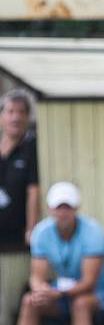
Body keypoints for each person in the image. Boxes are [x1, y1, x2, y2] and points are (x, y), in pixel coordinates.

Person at [16, 182, 104, 325]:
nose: (63, 213)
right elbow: (37, 275)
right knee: (30, 301)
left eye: (68, 207)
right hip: (67, 287)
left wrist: (58, 293)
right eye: (59, 207)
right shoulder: (41, 232)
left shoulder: (93, 232)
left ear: (76, 209)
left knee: (80, 304)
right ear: (49, 209)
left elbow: (89, 282)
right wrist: (40, 291)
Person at [0, 90, 39, 247]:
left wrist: (31, 229)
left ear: (28, 117)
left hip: (17, 235)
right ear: (1, 117)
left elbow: (34, 191)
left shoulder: (32, 148)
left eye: (21, 112)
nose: (16, 117)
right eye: (10, 112)